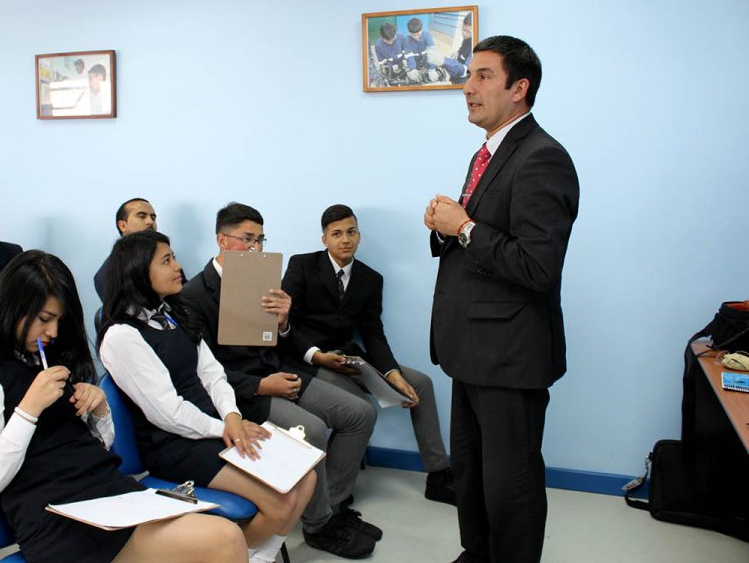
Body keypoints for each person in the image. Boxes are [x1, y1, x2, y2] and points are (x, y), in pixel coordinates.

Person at [0, 250, 248, 563]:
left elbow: (94, 449)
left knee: (221, 537)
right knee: (222, 541)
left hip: (108, 494)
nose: (52, 332)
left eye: (59, 321)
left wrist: (99, 411)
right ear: (11, 308)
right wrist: (27, 412)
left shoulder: (44, 356)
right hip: (58, 517)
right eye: (44, 319)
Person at [423, 35, 579, 563]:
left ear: (520, 88)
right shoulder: (487, 152)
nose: (468, 88)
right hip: (471, 351)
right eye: (469, 76)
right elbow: (485, 238)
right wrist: (446, 229)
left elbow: (537, 266)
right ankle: (478, 554)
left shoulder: (544, 158)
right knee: (471, 476)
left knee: (510, 486)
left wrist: (462, 226)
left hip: (510, 356)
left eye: (484, 76)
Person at [99, 230, 316, 563]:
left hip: (217, 426)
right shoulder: (121, 336)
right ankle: (243, 555)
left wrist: (232, 416)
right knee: (280, 501)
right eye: (167, 260)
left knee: (307, 475)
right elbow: (166, 412)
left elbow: (213, 374)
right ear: (138, 270)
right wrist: (226, 428)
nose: (178, 266)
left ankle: (257, 556)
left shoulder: (174, 313)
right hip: (174, 444)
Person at [180, 202, 380, 559]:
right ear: (221, 241)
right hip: (242, 391)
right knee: (314, 430)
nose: (256, 248)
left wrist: (284, 322)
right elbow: (204, 372)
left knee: (360, 414)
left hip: (277, 369)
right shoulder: (193, 296)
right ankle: (318, 526)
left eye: (260, 239)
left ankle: (328, 506)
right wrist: (260, 386)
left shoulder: (261, 281)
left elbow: (276, 339)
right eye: (247, 239)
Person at [281, 204, 456, 505]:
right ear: (324, 239)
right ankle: (334, 496)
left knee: (421, 384)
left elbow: (373, 333)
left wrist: (393, 374)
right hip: (310, 360)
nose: (345, 239)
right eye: (336, 234)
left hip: (350, 359)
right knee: (358, 405)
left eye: (351, 232)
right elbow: (285, 323)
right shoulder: (302, 266)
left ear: (359, 235)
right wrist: (316, 355)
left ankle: (438, 475)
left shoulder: (370, 279)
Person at [94, 198, 159, 299]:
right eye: (142, 216)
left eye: (153, 218)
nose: (150, 222)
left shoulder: (163, 258)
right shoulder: (109, 274)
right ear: (123, 226)